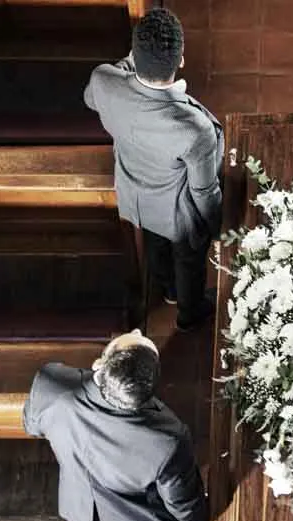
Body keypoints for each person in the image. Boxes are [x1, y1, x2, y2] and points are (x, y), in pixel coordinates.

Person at [23, 329, 208, 521]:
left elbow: (32, 424)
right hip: (135, 515)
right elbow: (182, 502)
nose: (136, 330)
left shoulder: (51, 384)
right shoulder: (166, 441)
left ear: (100, 364)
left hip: (81, 499)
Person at [84, 7, 224, 331]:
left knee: (154, 246)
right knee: (189, 259)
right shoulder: (193, 128)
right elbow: (204, 190)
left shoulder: (104, 80)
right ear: (181, 60)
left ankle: (169, 289)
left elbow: (92, 99)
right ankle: (190, 311)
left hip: (134, 196)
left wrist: (128, 65)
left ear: (134, 52)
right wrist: (217, 227)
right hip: (176, 211)